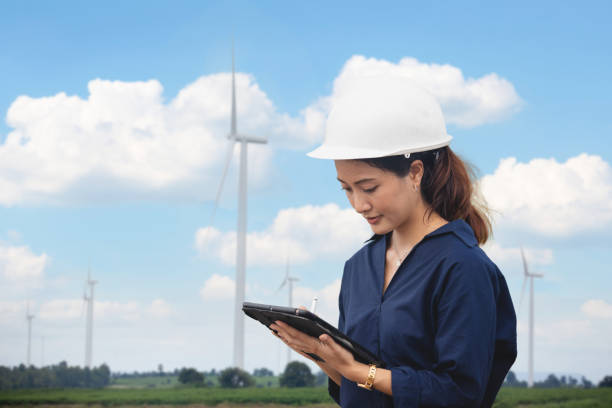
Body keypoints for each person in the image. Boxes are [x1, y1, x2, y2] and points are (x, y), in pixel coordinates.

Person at [269, 75, 517, 407]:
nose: (358, 205)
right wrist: (320, 353)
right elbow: (355, 388)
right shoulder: (359, 267)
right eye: (346, 188)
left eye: (369, 187)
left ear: (416, 173)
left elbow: (459, 394)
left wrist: (358, 371)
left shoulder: (463, 268)